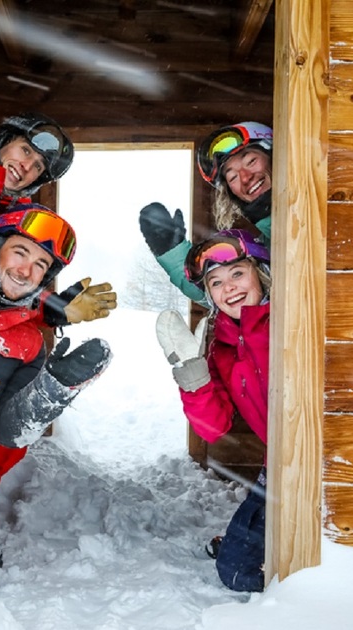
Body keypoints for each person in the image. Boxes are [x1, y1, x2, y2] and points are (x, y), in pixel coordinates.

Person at [0, 113, 118, 567]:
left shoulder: (28, 337)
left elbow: (12, 296)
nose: (28, 167)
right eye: (25, 152)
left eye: (39, 167)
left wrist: (54, 311)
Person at [154, 228, 271, 596]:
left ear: (260, 273)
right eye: (216, 282)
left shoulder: (290, 320)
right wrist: (193, 373)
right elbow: (213, 428)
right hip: (277, 469)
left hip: (325, 461)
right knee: (234, 570)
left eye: (238, 273)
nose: (229, 287)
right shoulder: (219, 347)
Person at [138, 121, 273, 305]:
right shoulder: (269, 241)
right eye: (232, 177)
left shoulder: (311, 207)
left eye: (251, 161)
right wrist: (173, 253)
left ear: (273, 154)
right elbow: (236, 299)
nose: (245, 177)